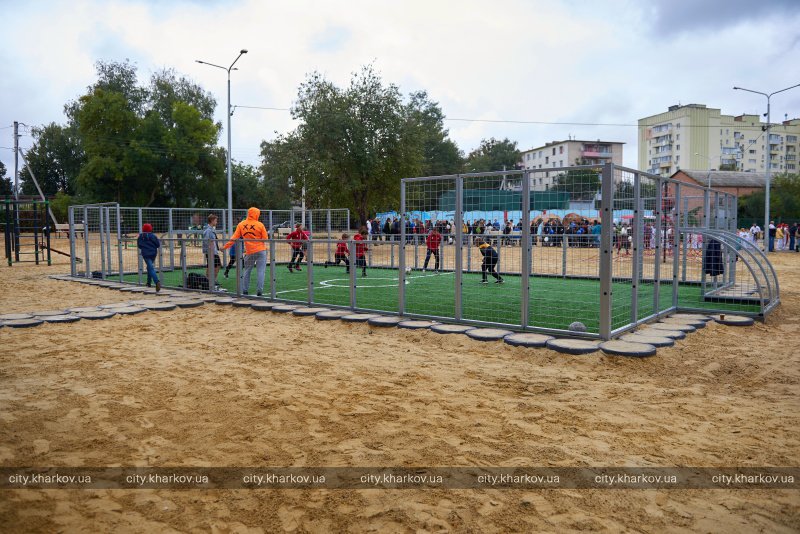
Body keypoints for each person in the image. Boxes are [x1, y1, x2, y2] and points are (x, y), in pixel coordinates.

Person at [222, 207, 268, 296]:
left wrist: (225, 247)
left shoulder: (241, 224)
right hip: (261, 250)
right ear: (257, 214)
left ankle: (245, 290)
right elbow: (265, 238)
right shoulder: (260, 225)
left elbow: (234, 238)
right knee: (261, 271)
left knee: (247, 271)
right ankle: (259, 291)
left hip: (249, 252)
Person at [137, 223, 161, 292]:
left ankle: (156, 281)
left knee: (150, 268)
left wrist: (144, 247)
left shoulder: (141, 236)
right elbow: (158, 245)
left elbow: (139, 245)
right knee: (149, 267)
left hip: (146, 254)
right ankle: (148, 283)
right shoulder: (153, 236)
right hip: (153, 253)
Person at [202, 214, 223, 291]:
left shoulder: (210, 229)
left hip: (212, 251)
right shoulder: (208, 230)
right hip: (211, 252)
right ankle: (212, 280)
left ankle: (208, 280)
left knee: (211, 265)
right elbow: (206, 241)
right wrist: (210, 250)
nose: (216, 222)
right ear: (212, 221)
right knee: (217, 265)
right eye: (215, 220)